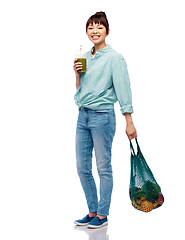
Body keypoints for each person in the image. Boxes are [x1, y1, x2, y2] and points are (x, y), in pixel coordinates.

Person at [73, 12, 137, 229]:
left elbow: (123, 89)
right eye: (91, 27)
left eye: (99, 27)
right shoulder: (86, 56)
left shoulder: (115, 58)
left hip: (103, 117)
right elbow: (82, 91)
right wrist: (77, 75)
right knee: (82, 166)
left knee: (103, 167)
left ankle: (102, 214)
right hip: (83, 115)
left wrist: (129, 121)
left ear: (107, 31)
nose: (95, 31)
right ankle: (92, 211)